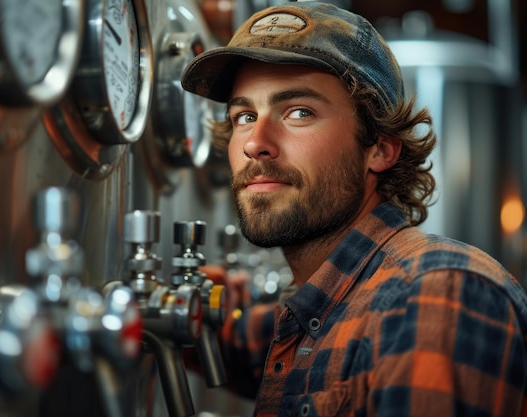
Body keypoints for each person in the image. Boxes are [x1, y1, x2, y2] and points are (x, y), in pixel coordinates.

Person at [181, 2, 527, 416]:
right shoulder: (316, 307)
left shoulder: (433, 291)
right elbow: (228, 343)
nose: (256, 142)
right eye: (244, 115)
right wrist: (188, 310)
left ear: (379, 149)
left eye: (299, 112)